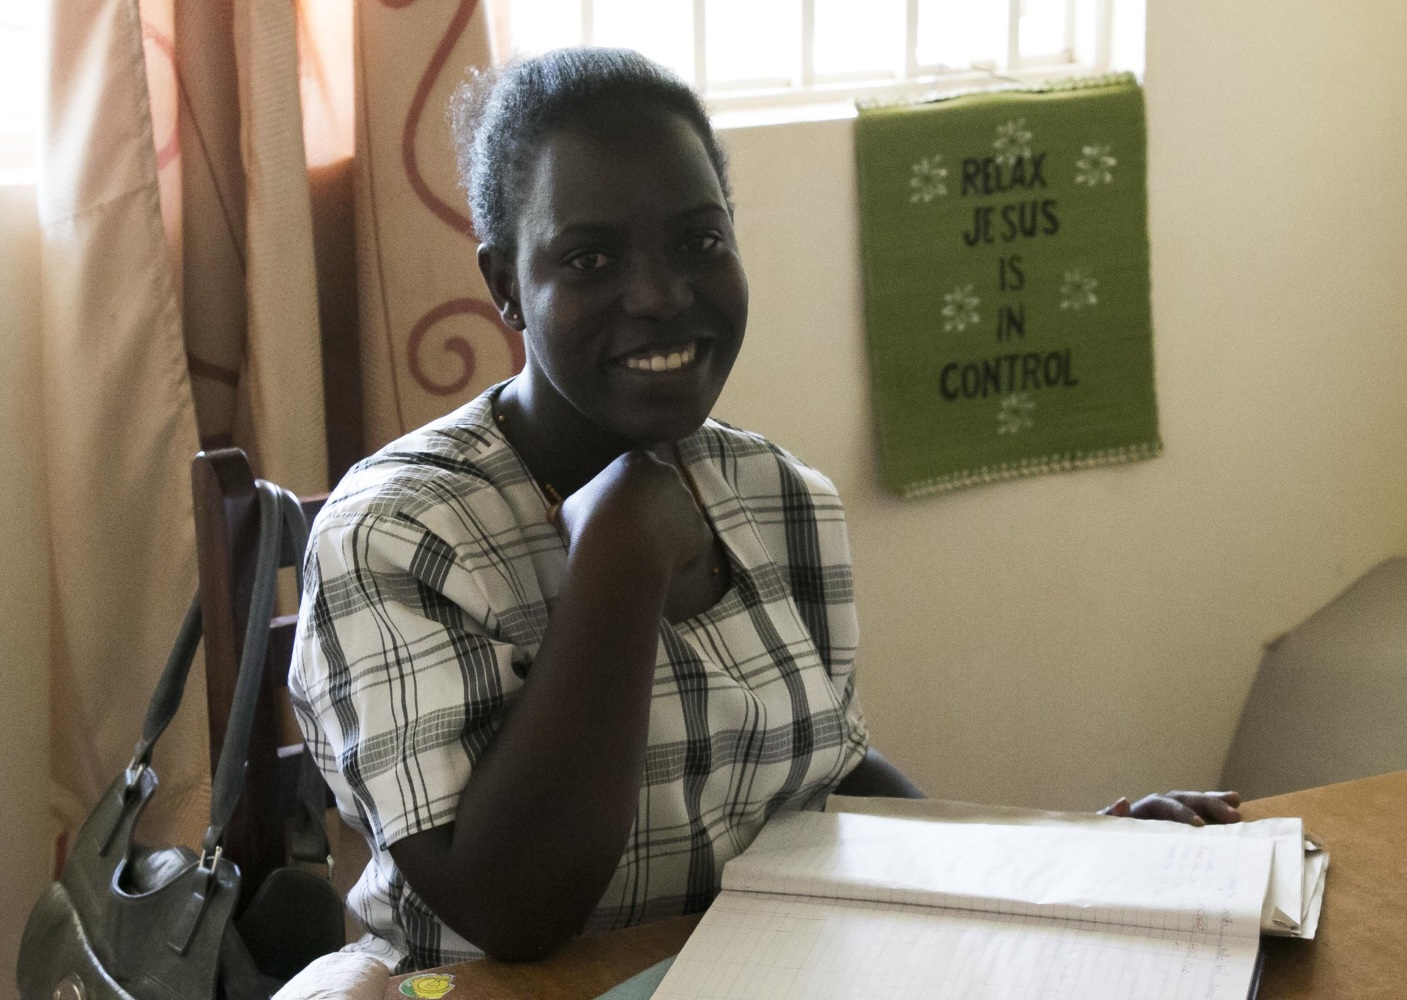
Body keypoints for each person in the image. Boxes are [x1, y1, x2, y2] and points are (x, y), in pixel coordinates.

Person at [289, 47, 1240, 974]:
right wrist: (621, 560)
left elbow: (829, 780)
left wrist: (1070, 865)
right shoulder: (395, 536)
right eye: (589, 259)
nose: (661, 295)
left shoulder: (780, 498)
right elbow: (513, 911)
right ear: (505, 286)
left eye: (699, 242)